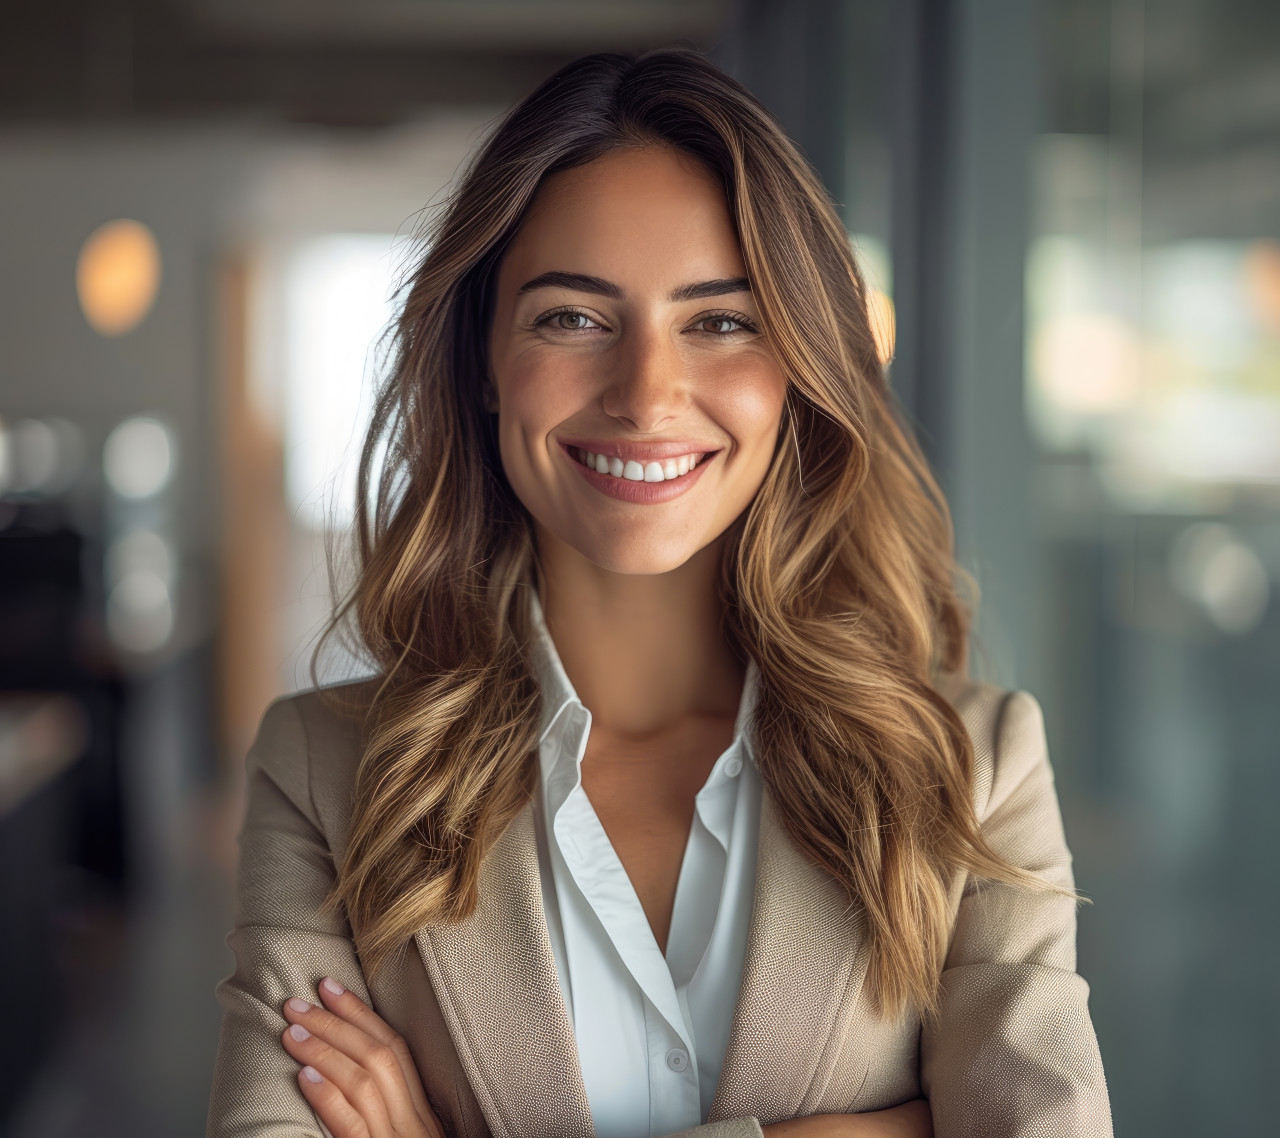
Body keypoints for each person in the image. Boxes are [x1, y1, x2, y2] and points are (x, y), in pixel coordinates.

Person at [207, 49, 1111, 1138]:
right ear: (483, 363)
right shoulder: (325, 773)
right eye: (571, 318)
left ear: (798, 369)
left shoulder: (971, 765)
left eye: (719, 320)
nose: (644, 395)